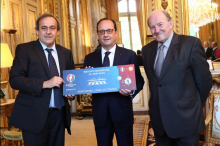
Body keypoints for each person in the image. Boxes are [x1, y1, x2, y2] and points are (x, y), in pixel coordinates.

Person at [142, 10, 212, 146]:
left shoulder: (191, 44)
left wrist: (195, 106)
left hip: (187, 119)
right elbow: (156, 84)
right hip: (160, 120)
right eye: (152, 27)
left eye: (160, 24)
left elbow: (204, 81)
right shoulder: (146, 50)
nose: (156, 30)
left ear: (171, 24)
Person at [9, 13, 75, 146]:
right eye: (44, 28)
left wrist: (71, 93)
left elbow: (71, 80)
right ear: (37, 31)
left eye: (52, 28)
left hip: (59, 114)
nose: (48, 32)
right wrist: (45, 84)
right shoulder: (25, 49)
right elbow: (15, 80)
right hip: (33, 115)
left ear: (58, 32)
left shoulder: (66, 53)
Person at [84, 18, 144, 146]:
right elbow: (86, 86)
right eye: (102, 31)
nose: (106, 34)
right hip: (100, 113)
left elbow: (139, 80)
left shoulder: (129, 55)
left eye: (109, 31)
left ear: (116, 32)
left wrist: (131, 91)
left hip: (122, 111)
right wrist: (86, 78)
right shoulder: (89, 58)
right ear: (98, 34)